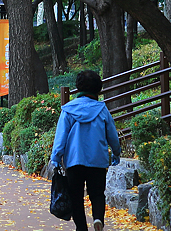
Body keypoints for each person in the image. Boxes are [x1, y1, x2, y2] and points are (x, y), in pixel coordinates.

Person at [50, 70, 121, 231]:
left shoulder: (68, 110)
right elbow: (112, 136)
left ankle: (81, 227)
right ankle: (98, 219)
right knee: (97, 194)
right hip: (97, 160)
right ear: (98, 89)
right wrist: (116, 152)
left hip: (74, 162)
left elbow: (60, 137)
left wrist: (56, 157)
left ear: (78, 87)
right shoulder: (102, 110)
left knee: (75, 196)